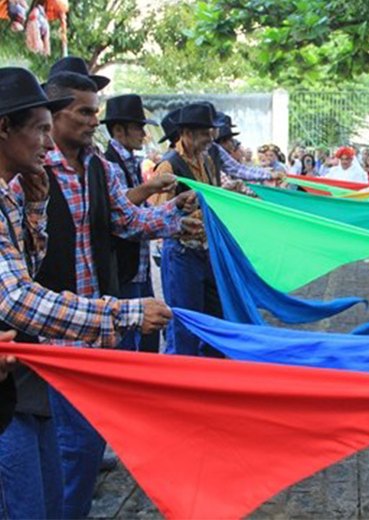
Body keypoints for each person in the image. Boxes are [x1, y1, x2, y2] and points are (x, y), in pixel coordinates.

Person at [0, 66, 176, 519]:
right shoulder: (20, 182)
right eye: (40, 128)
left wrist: (174, 214)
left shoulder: (64, 177)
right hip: (43, 347)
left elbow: (27, 265)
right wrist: (122, 314)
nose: (92, 121)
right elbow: (17, 295)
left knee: (64, 470)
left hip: (60, 343)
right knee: (40, 483)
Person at [41, 63, 194, 519]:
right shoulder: (29, 172)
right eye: (84, 113)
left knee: (81, 445)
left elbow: (127, 222)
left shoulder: (100, 169)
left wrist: (176, 219)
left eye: (95, 112)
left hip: (97, 326)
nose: (92, 121)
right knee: (71, 447)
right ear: (54, 115)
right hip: (52, 332)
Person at [154, 103, 228, 359]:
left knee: (215, 317)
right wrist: (191, 213)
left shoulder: (206, 161)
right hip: (182, 254)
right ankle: (180, 380)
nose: (211, 138)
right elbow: (157, 214)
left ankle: (211, 377)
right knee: (183, 323)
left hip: (207, 252)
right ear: (187, 133)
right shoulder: (168, 167)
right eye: (206, 132)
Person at [101, 93, 173, 353]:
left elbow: (139, 211)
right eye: (138, 127)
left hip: (137, 264)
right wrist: (152, 188)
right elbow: (122, 208)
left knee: (148, 333)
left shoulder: (129, 161)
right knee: (128, 336)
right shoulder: (108, 163)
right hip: (124, 265)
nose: (143, 134)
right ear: (119, 130)